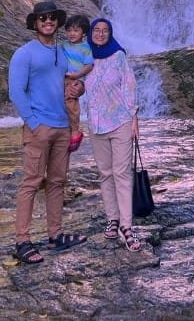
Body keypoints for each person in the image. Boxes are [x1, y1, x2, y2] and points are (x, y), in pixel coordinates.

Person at [8, 0, 87, 264]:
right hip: (39, 127)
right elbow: (16, 92)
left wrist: (81, 89)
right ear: (35, 23)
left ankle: (56, 235)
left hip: (63, 126)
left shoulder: (64, 52)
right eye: (43, 18)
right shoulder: (25, 53)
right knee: (31, 182)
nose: (48, 21)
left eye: (52, 17)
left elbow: (71, 83)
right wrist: (32, 123)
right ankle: (22, 241)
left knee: (57, 182)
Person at [84, 17, 142, 252]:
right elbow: (74, 84)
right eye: (96, 30)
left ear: (110, 34)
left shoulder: (118, 56)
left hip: (120, 122)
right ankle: (112, 219)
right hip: (96, 125)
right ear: (91, 33)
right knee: (105, 174)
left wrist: (134, 118)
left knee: (122, 173)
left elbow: (129, 87)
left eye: (104, 31)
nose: (100, 34)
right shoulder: (84, 58)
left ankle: (127, 227)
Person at [63, 14, 94, 153]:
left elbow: (89, 66)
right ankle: (64, 130)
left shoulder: (86, 48)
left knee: (71, 101)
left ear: (84, 32)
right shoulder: (63, 45)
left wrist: (78, 76)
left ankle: (75, 131)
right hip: (61, 77)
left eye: (76, 30)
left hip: (76, 79)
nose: (71, 34)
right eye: (69, 30)